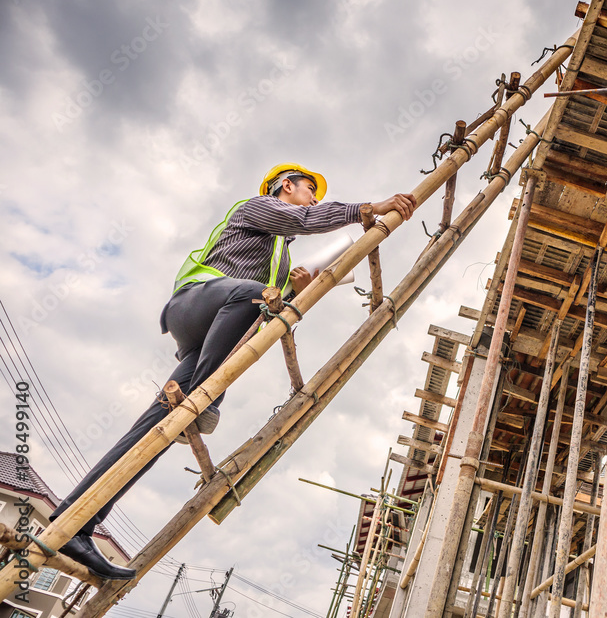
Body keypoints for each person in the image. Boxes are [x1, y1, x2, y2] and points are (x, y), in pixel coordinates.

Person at [50, 164, 416, 579]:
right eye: (308, 189)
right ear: (286, 186)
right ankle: (209, 398)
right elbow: (305, 220)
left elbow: (267, 309)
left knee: (153, 432)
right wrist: (369, 208)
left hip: (215, 332)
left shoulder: (280, 257)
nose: (312, 198)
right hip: (192, 305)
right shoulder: (254, 208)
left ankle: (75, 524)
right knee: (253, 294)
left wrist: (297, 284)